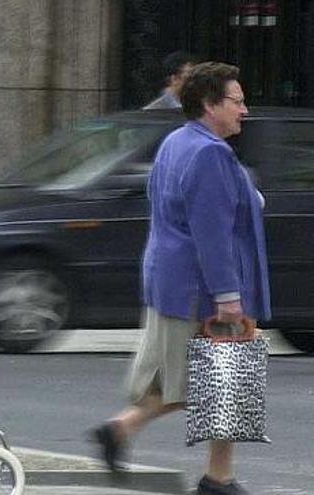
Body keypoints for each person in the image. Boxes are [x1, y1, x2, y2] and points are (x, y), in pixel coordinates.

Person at [91, 62, 270, 495]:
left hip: (174, 280)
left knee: (213, 378)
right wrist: (228, 295)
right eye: (237, 101)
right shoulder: (211, 153)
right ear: (210, 105)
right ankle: (209, 475)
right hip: (201, 288)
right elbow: (212, 231)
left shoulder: (179, 141)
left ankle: (215, 475)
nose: (244, 110)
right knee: (217, 378)